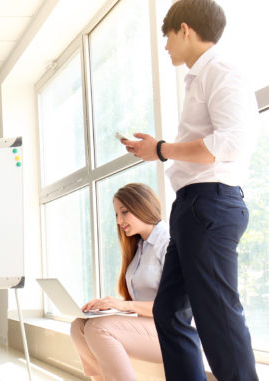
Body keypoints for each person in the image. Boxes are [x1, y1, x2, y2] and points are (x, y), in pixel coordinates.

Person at [120, 1, 260, 379]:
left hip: (210, 205)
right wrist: (158, 151)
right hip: (192, 206)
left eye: (166, 36)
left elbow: (230, 143)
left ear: (184, 29)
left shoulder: (222, 73)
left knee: (217, 315)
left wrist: (162, 149)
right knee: (169, 312)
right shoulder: (200, 78)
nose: (165, 46)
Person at [70, 183, 169, 381]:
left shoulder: (167, 242)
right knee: (78, 326)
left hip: (169, 331)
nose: (119, 220)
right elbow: (140, 299)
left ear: (143, 206)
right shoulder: (139, 246)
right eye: (116, 214)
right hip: (147, 327)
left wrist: (124, 306)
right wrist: (108, 306)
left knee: (98, 328)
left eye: (124, 212)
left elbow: (173, 307)